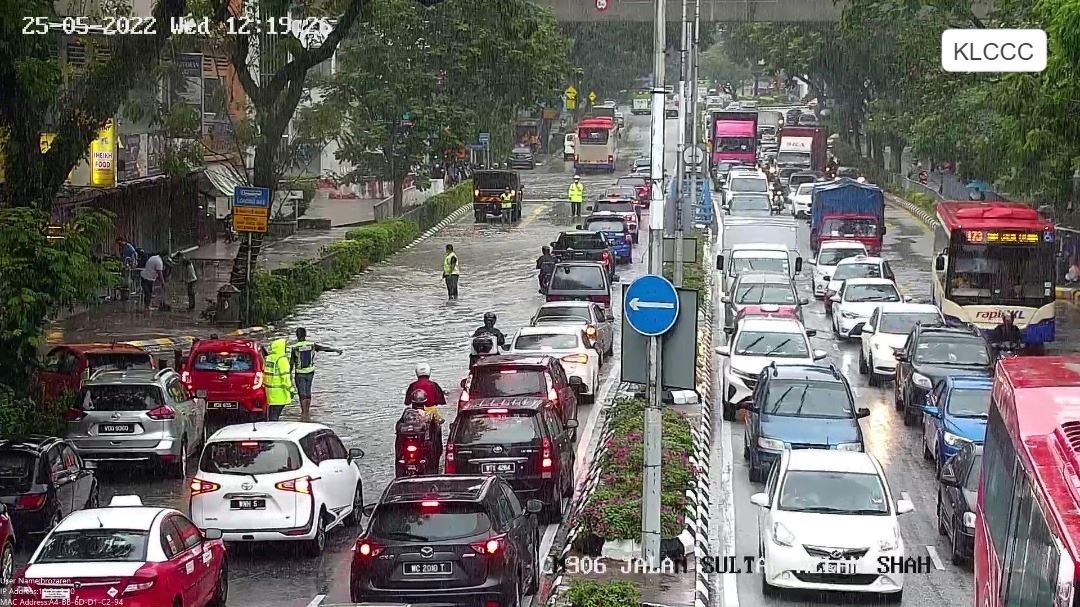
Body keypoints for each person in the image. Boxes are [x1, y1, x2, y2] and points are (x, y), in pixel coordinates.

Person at [290, 327, 342, 421]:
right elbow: (324, 349)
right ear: (305, 335)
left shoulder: (295, 347)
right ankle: (307, 411)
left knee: (302, 393)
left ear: (297, 335)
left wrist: (288, 373)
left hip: (300, 373)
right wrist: (335, 350)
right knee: (308, 391)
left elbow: (292, 362)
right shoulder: (312, 345)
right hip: (310, 372)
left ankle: (303, 413)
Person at [263, 338, 295, 421]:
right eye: (285, 347)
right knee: (275, 414)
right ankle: (274, 427)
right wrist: (291, 390)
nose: (285, 348)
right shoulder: (282, 359)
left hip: (269, 392)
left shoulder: (268, 358)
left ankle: (270, 426)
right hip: (280, 392)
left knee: (272, 413)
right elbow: (285, 376)